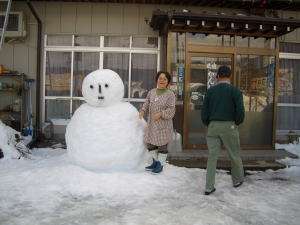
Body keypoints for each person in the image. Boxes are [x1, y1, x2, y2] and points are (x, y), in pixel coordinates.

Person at [201, 65, 245, 195]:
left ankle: (209, 187)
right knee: (234, 154)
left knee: (212, 157)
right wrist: (236, 122)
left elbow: (204, 112)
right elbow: (240, 112)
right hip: (229, 126)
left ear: (218, 76)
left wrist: (208, 123)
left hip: (213, 126)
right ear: (229, 76)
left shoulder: (210, 91)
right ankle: (237, 180)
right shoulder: (235, 91)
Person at [139, 71, 176, 174]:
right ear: (157, 80)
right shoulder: (152, 92)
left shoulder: (170, 94)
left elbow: (171, 109)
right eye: (160, 78)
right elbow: (146, 103)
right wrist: (142, 110)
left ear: (168, 81)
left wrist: (161, 114)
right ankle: (155, 162)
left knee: (162, 146)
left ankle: (160, 165)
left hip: (163, 125)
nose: (162, 80)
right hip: (152, 124)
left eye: (165, 79)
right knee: (150, 144)